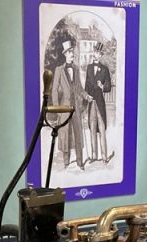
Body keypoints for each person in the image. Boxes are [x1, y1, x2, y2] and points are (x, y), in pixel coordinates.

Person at [51, 38, 91, 170]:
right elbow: (55, 90)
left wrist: (86, 96)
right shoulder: (59, 70)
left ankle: (80, 162)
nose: (72, 54)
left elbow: (79, 88)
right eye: (70, 52)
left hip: (76, 109)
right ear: (65, 54)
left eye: (72, 52)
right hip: (64, 107)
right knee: (65, 133)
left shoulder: (76, 68)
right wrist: (57, 108)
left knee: (78, 133)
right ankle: (66, 162)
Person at [84, 42, 114, 164]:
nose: (95, 54)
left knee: (101, 130)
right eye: (95, 52)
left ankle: (104, 157)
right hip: (91, 103)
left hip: (100, 104)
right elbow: (86, 85)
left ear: (100, 55)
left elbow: (109, 87)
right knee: (92, 129)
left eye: (98, 52)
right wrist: (86, 98)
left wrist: (102, 86)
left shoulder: (105, 69)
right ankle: (93, 156)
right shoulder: (89, 68)